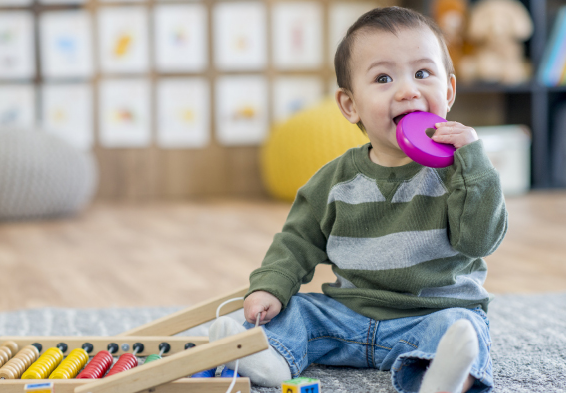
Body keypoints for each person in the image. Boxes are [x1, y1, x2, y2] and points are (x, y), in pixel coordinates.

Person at [209, 6, 507, 393]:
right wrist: (271, 285)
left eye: (422, 73)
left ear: (448, 91)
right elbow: (296, 241)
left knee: (461, 329)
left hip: (429, 312)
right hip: (348, 313)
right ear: (351, 105)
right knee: (299, 311)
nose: (407, 90)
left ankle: (442, 377)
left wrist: (475, 164)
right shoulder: (334, 180)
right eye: (384, 78)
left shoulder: (462, 172)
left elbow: (480, 241)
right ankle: (261, 354)